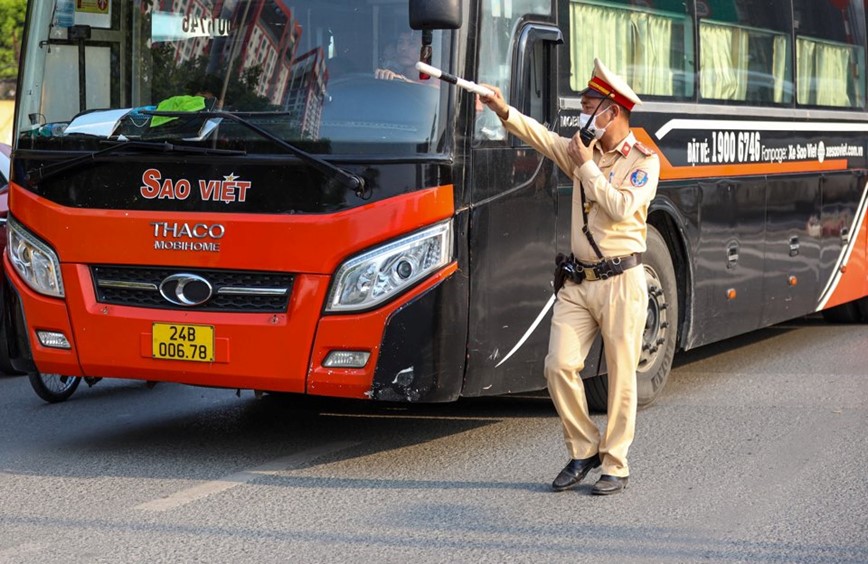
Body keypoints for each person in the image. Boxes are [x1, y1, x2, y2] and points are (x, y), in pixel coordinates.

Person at [478, 58, 659, 495]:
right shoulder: (583, 149)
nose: (581, 112)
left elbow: (619, 207)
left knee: (619, 376)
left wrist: (587, 168)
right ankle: (583, 448)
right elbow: (541, 138)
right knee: (558, 365)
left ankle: (615, 462)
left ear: (611, 112)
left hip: (622, 282)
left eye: (589, 104)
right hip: (579, 284)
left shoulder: (644, 160)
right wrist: (503, 110)